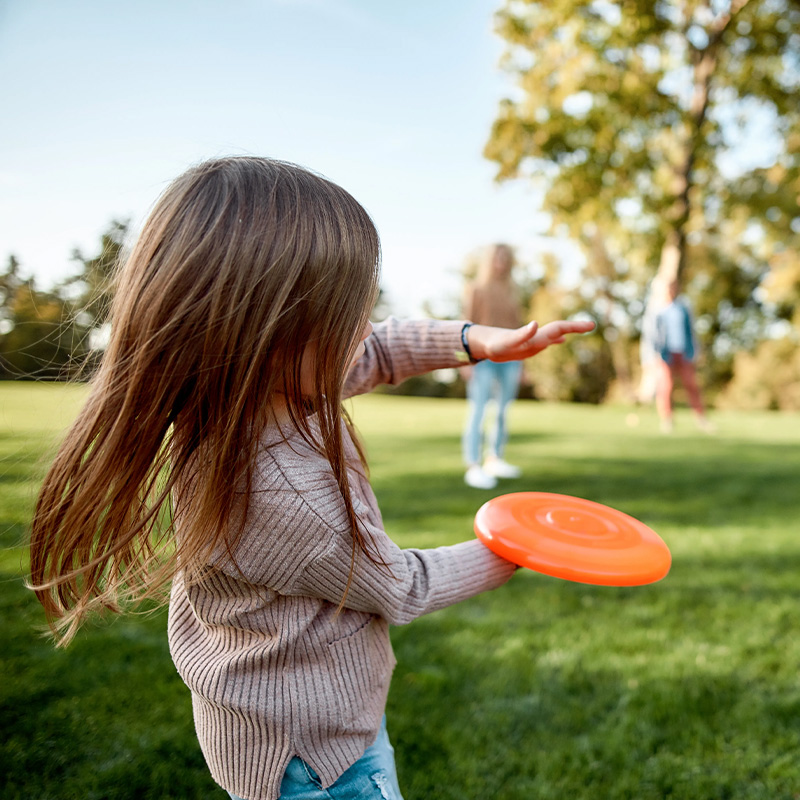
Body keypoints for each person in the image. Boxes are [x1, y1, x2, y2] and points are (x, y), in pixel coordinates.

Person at [27, 157, 595, 800]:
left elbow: (379, 349)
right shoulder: (284, 493)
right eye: (347, 316)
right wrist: (519, 547)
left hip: (272, 725)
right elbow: (402, 587)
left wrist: (474, 340)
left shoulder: (242, 392)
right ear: (271, 332)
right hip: (318, 758)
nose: (366, 331)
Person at [461, 243, 526, 489]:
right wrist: (464, 361)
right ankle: (473, 465)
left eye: (505, 258)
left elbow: (519, 329)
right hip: (482, 359)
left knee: (501, 411)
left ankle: (494, 459)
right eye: (497, 257)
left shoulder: (513, 291)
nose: (501, 262)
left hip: (510, 359)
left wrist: (524, 364)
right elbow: (464, 326)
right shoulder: (476, 289)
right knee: (477, 411)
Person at [644, 276, 713, 434]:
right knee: (666, 387)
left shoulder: (683, 308)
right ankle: (667, 420)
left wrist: (695, 351)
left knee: (691, 385)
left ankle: (701, 419)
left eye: (673, 287)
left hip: (684, 352)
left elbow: (691, 331)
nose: (671, 290)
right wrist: (653, 355)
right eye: (668, 288)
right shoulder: (658, 309)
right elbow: (652, 335)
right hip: (665, 354)